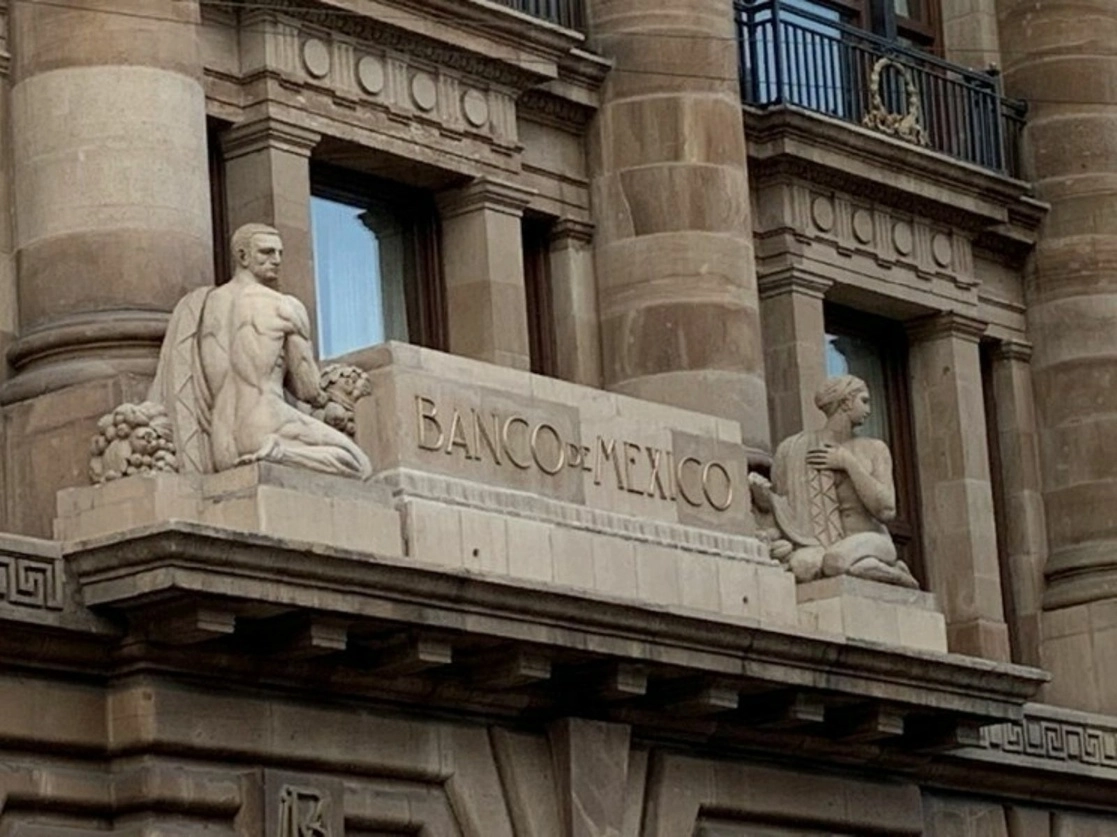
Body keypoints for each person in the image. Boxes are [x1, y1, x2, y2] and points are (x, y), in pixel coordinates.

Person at [148, 223, 372, 480]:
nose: (276, 260)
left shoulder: (201, 307)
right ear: (242, 256)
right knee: (359, 464)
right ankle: (281, 454)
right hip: (265, 427)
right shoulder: (284, 306)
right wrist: (336, 394)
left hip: (222, 445)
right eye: (266, 252)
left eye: (279, 253)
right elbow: (307, 389)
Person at [750, 375, 917, 588]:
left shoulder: (875, 449)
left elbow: (886, 509)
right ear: (846, 402)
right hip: (821, 544)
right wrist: (766, 499)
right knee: (802, 565)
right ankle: (867, 569)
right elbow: (788, 509)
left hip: (871, 539)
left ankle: (899, 577)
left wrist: (848, 462)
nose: (869, 410)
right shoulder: (794, 448)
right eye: (863, 401)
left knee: (834, 562)